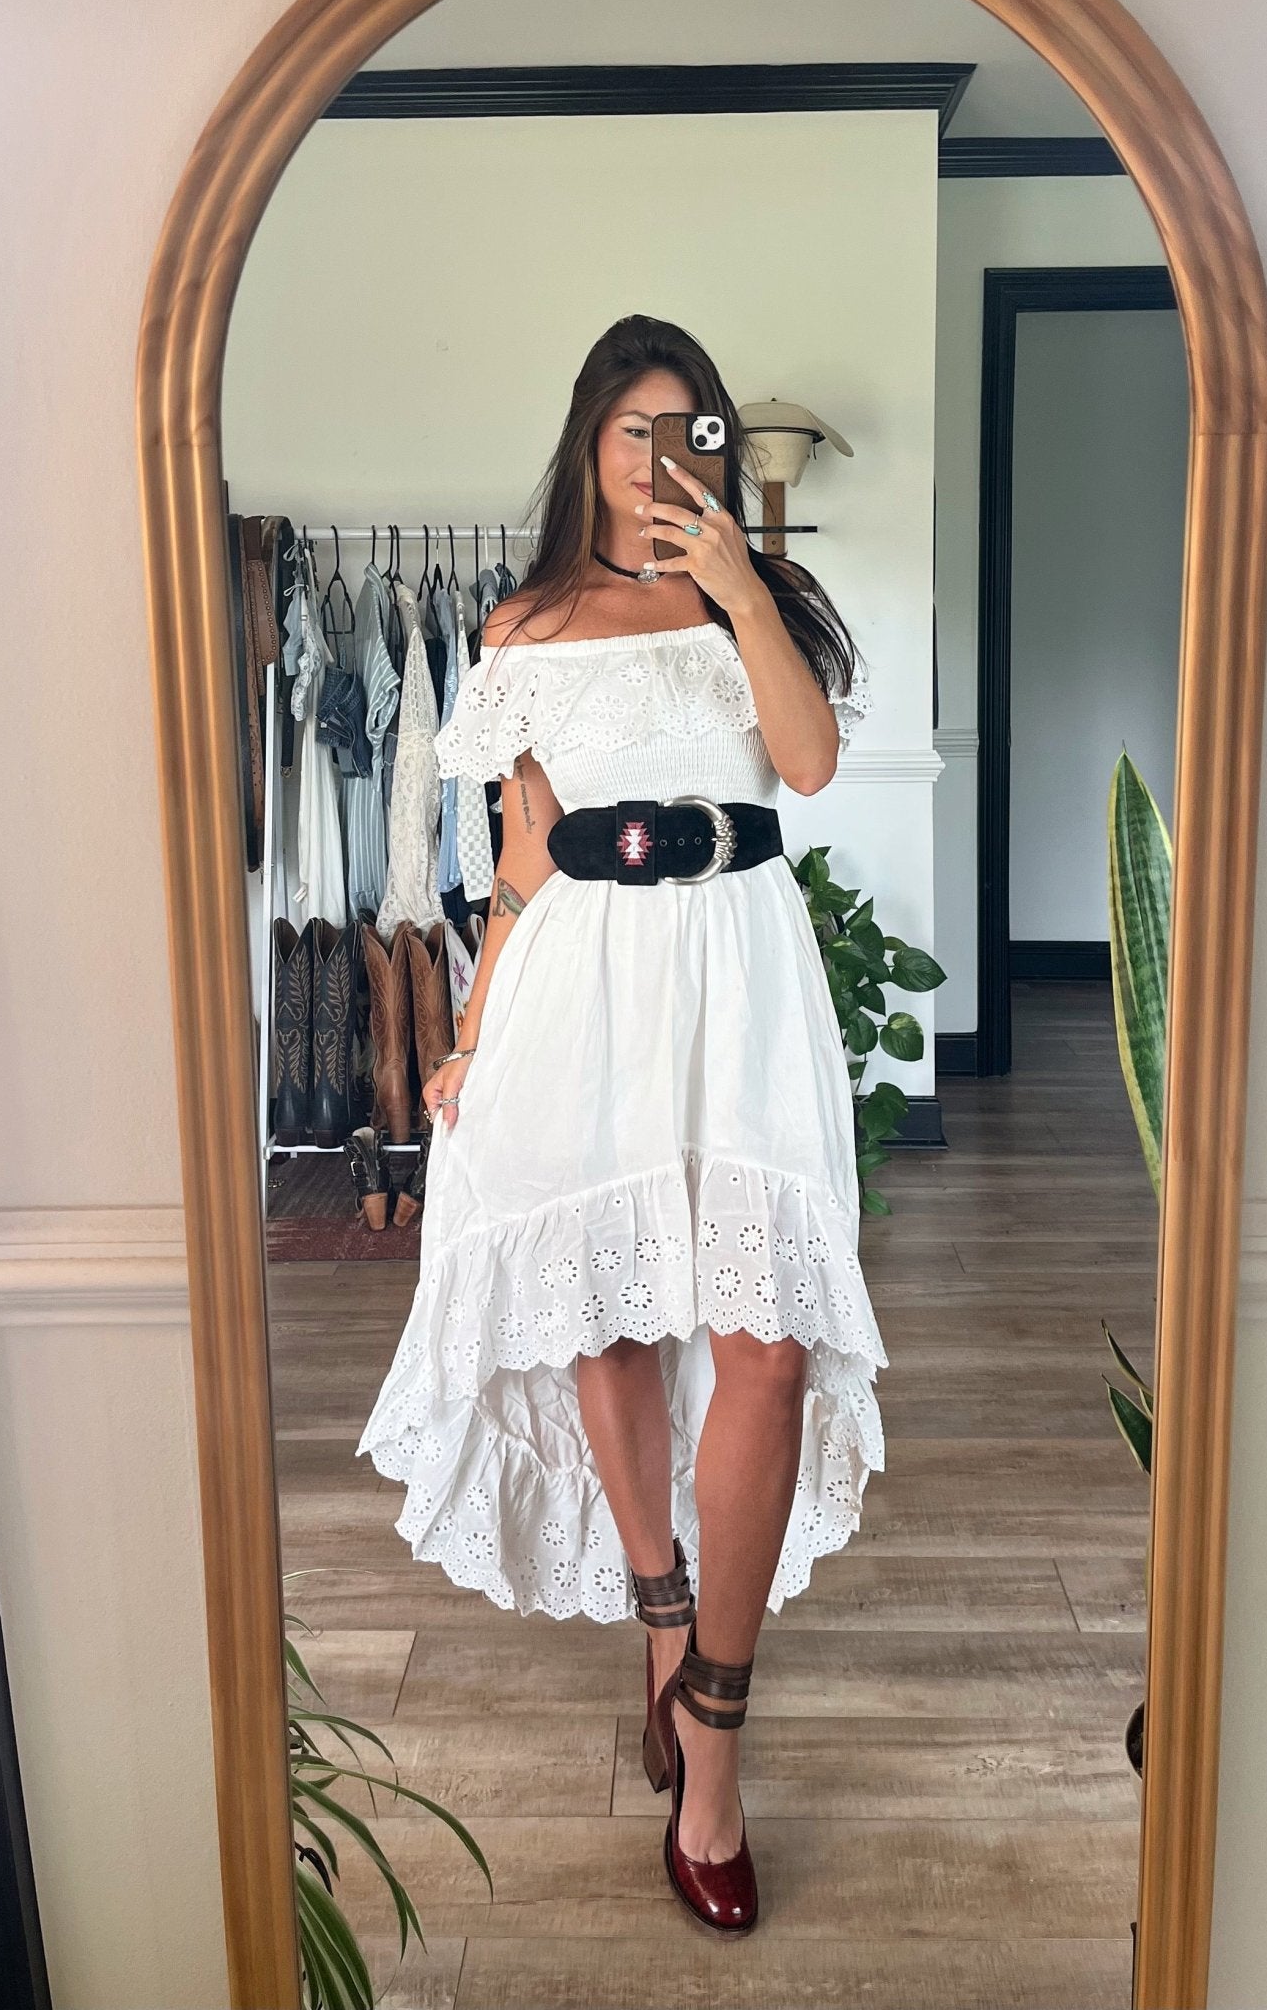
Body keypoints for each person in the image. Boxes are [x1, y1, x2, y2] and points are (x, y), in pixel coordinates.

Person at [355, 313, 886, 1934]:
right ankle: (663, 1607)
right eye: (633, 432)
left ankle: (713, 1734)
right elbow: (524, 857)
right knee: (607, 1316)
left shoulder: (752, 601)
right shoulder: (521, 627)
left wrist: (741, 589)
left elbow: (805, 767)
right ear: (588, 445)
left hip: (741, 977)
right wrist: (467, 1032)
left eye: (687, 431)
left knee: (768, 1349)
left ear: (716, 451)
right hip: (579, 986)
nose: (659, 462)